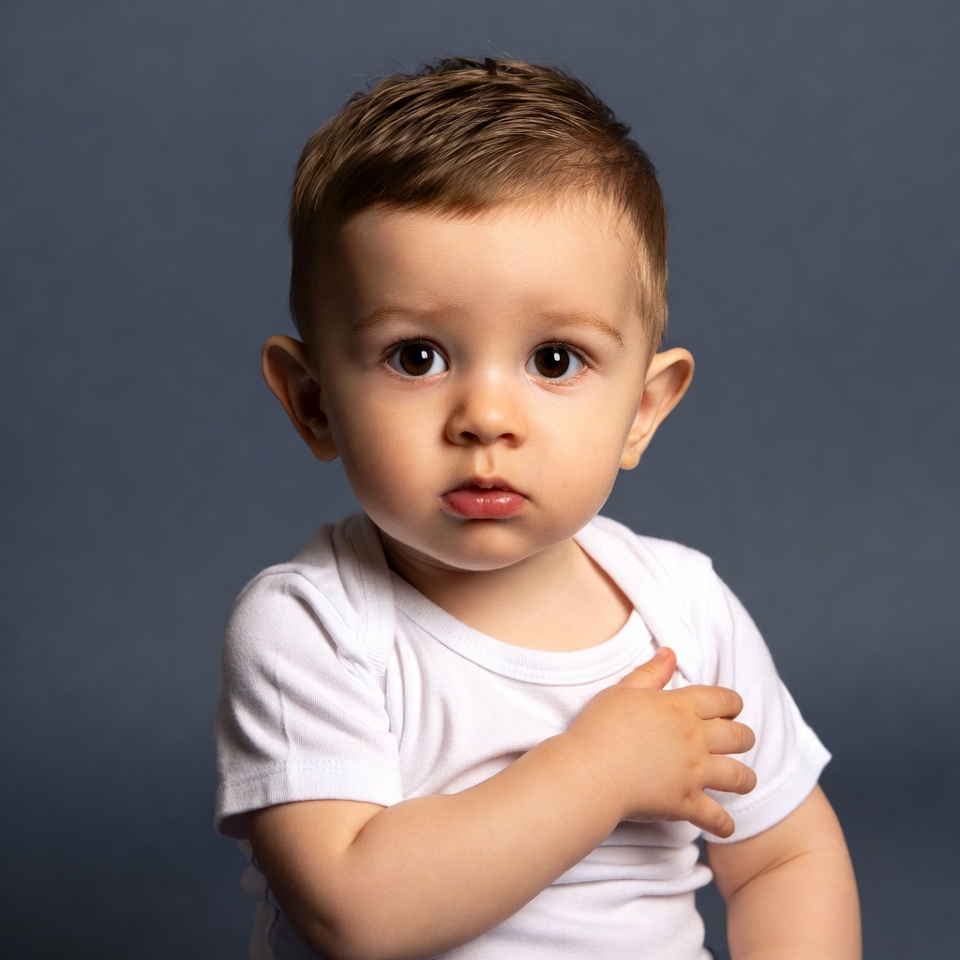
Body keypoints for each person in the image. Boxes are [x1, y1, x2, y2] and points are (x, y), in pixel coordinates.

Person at [214, 57, 860, 960]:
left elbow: (784, 858)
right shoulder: (313, 627)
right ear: (313, 402)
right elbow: (352, 911)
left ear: (643, 411)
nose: (486, 417)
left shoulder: (684, 610)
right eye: (416, 356)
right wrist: (598, 770)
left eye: (554, 360)